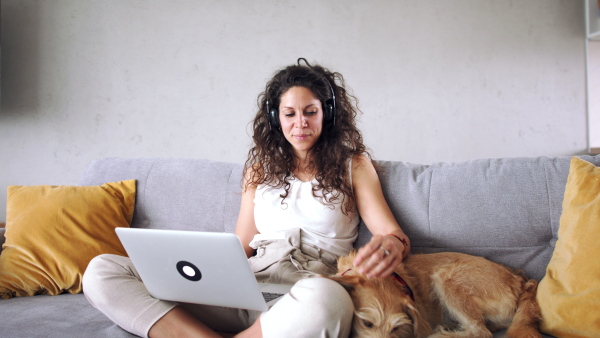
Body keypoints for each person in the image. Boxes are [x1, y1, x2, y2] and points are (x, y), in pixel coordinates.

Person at [83, 58, 411, 338]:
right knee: (102, 269)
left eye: (310, 112)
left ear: (327, 114)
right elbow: (241, 246)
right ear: (274, 118)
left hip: (305, 295)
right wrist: (187, 266)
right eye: (290, 114)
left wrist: (393, 244)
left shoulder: (353, 165)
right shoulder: (258, 170)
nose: (301, 124)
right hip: (245, 292)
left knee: (329, 297)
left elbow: (390, 233)